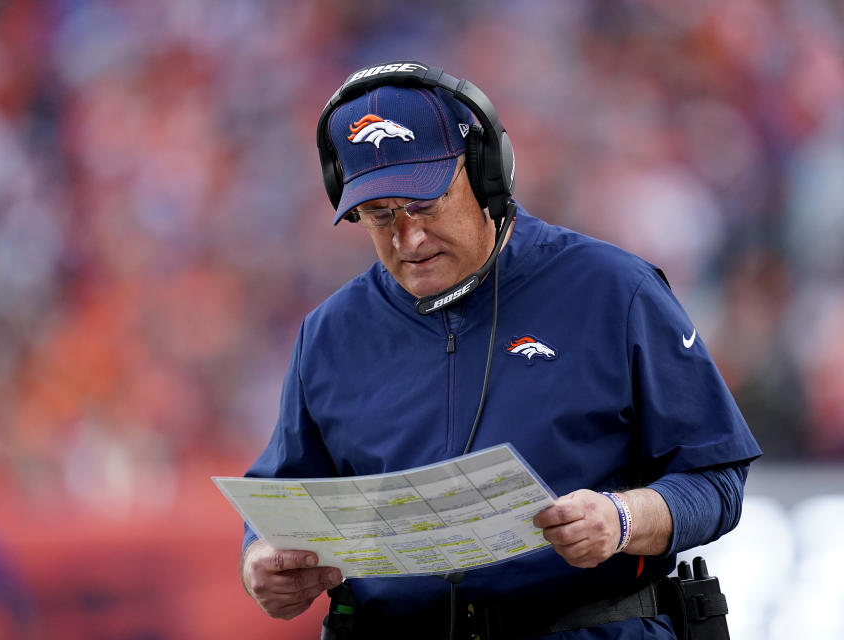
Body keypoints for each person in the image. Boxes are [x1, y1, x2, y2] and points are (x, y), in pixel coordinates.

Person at [239, 61, 761, 640]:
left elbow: (716, 480)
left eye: (425, 204)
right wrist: (262, 560)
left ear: (488, 175)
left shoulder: (615, 290)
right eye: (379, 215)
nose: (406, 238)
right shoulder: (329, 333)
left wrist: (623, 519)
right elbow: (283, 502)